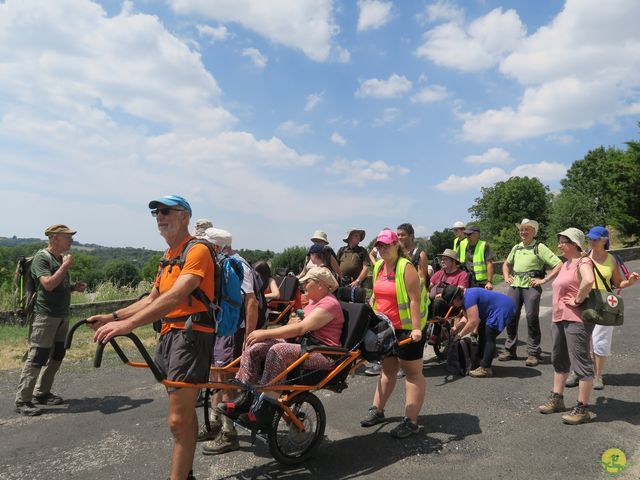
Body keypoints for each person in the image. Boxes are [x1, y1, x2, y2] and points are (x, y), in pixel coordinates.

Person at [89, 195, 213, 480]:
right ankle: (188, 471)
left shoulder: (198, 250)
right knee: (181, 415)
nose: (160, 216)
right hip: (170, 334)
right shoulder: (169, 256)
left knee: (176, 421)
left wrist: (130, 325)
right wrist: (113, 317)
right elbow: (153, 298)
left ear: (185, 216)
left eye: (166, 211)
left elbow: (179, 295)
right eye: (156, 212)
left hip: (192, 335)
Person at [215, 266, 344, 427]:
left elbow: (301, 329)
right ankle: (246, 399)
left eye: (307, 282)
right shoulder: (313, 301)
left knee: (278, 350)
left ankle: (266, 411)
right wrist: (288, 323)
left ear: (320, 284)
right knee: (255, 346)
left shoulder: (329, 304)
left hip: (323, 354)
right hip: (304, 347)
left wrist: (266, 333)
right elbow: (295, 325)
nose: (302, 285)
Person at [360, 229, 428, 438]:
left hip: (408, 328)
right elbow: (375, 296)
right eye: (379, 245)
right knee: (387, 370)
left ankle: (411, 421)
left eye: (386, 245)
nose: (382, 249)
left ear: (396, 245)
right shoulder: (379, 266)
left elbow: (414, 300)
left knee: (412, 373)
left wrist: (416, 328)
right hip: (386, 327)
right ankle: (377, 410)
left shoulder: (405, 267)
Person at [15, 224, 87, 417]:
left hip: (62, 315)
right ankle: (23, 399)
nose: (71, 240)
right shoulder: (42, 258)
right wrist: (65, 266)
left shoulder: (59, 258)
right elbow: (47, 284)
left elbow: (57, 283)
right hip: (45, 316)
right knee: (38, 356)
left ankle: (42, 393)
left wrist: (73, 287)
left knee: (57, 355)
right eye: (67, 237)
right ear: (55, 238)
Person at [200, 227, 260, 456]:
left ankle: (229, 433)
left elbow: (251, 301)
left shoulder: (237, 264)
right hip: (223, 328)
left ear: (216, 246)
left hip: (235, 331)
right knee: (216, 375)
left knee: (226, 379)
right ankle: (215, 425)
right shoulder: (222, 263)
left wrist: (249, 338)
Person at [565, 226, 639, 390]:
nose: (592, 241)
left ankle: (597, 375)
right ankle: (577, 371)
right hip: (583, 300)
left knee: (600, 341)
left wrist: (630, 282)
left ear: (605, 240)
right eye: (590, 238)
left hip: (604, 303)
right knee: (579, 338)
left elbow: (619, 283)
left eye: (596, 238)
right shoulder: (583, 256)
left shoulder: (611, 259)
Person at [538, 228, 596, 425]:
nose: (559, 245)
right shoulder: (566, 263)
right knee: (559, 359)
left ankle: (582, 408)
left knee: (581, 363)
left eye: (563, 242)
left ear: (575, 244)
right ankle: (557, 399)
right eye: (560, 241)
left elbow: (589, 280)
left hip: (576, 320)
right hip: (559, 318)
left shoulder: (583, 261)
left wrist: (578, 299)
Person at [500, 219, 563, 367]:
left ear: (533, 232)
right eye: (521, 229)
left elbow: (558, 264)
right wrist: (506, 276)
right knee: (511, 316)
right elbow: (506, 264)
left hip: (531, 285)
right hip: (515, 285)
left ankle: (533, 352)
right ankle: (510, 350)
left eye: (527, 229)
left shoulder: (539, 247)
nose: (523, 232)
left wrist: (544, 280)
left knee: (531, 317)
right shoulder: (516, 248)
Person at [446, 286, 516, 377]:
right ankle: (480, 360)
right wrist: (456, 329)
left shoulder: (469, 298)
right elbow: (467, 318)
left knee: (489, 336)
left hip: (502, 308)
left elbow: (472, 322)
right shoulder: (465, 297)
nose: (452, 305)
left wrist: (459, 335)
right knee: (482, 330)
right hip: (498, 307)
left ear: (456, 297)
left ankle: (486, 368)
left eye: (452, 303)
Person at [460, 225, 494, 289]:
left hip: (482, 282)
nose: (467, 236)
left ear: (477, 234)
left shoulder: (484, 245)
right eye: (466, 234)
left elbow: (489, 263)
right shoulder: (463, 245)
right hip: (468, 280)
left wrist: (489, 282)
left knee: (482, 299)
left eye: (469, 234)